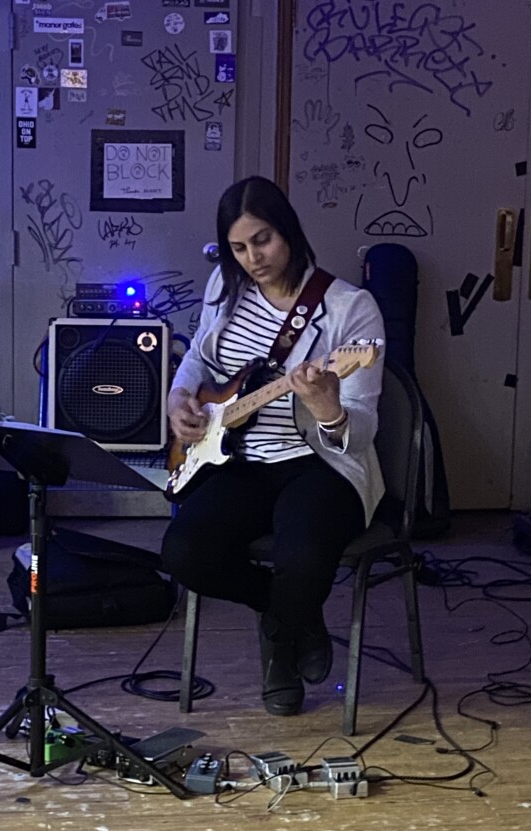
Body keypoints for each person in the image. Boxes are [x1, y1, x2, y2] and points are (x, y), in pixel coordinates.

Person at [161, 176, 385, 716]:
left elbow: (365, 427)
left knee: (304, 553)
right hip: (238, 457)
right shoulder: (225, 286)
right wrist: (179, 398)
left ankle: (279, 650)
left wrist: (328, 406)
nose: (252, 258)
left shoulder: (350, 307)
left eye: (262, 240)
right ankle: (289, 614)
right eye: (238, 247)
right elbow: (199, 357)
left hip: (321, 463)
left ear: (288, 230)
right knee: (182, 553)